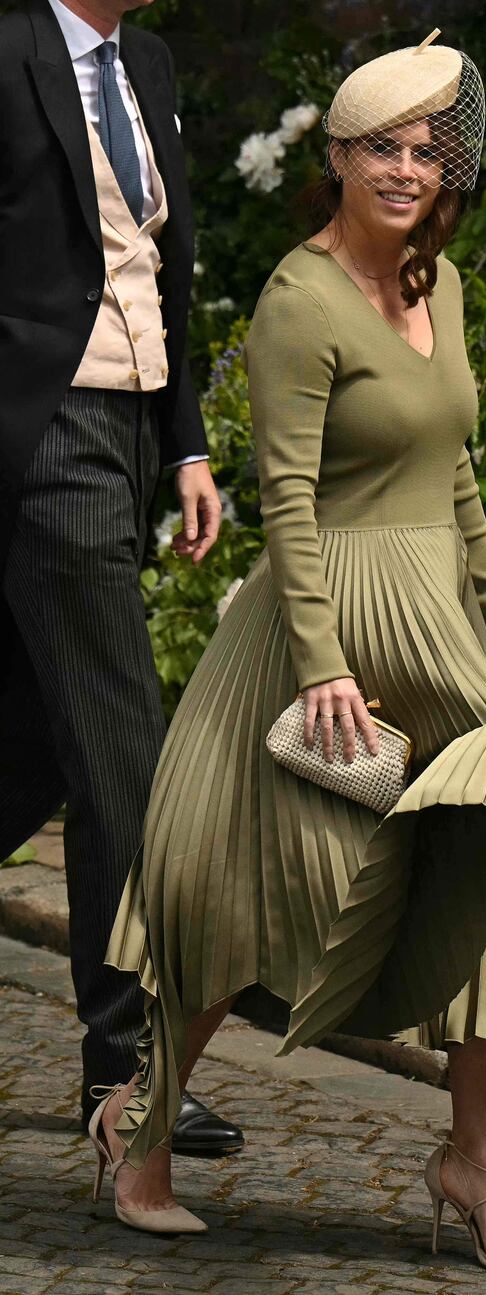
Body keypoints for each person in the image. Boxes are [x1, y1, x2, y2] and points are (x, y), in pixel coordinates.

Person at [91, 34, 486, 1269]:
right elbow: (289, 501)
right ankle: (135, 1126)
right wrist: (317, 662)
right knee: (246, 898)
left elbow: (453, 464)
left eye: (427, 149)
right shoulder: (296, 299)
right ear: (336, 158)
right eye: (382, 147)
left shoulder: (440, 283)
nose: (407, 169)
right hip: (323, 634)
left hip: (436, 620)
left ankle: (475, 1166)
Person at [0, 0, 243, 1156]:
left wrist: (186, 443)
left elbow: (164, 266)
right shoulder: (4, 54)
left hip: (132, 436)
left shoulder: (144, 62)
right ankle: (124, 1078)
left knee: (41, 747)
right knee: (125, 755)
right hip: (45, 436)